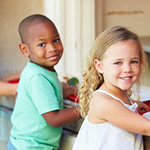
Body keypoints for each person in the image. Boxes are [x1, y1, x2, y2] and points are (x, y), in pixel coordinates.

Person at [7, 14, 81, 150]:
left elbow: (50, 95)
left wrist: (74, 91)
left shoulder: (38, 70)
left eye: (56, 40)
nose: (52, 48)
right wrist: (87, 108)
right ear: (25, 49)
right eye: (42, 44)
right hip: (31, 147)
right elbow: (54, 119)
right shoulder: (37, 77)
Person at [73, 26, 150, 150]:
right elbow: (146, 128)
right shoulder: (103, 103)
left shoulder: (118, 96)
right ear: (100, 66)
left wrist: (133, 104)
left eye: (134, 61)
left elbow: (119, 109)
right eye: (118, 63)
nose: (127, 69)